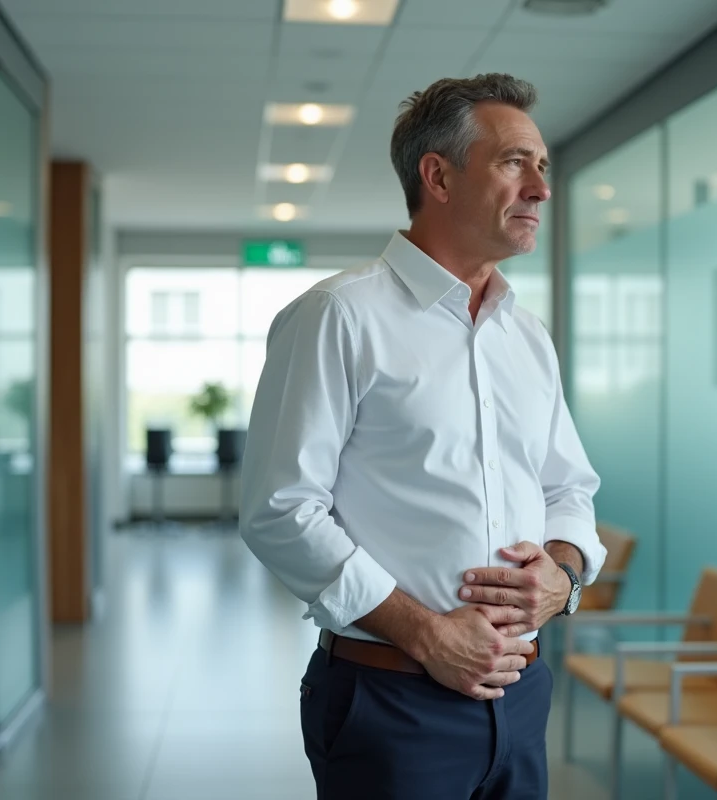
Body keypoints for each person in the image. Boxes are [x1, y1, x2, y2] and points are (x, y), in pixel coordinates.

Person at [236, 73, 606, 800]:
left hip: (522, 698)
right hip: (392, 703)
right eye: (513, 163)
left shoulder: (527, 337)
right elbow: (280, 510)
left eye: (544, 167)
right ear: (437, 175)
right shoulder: (338, 316)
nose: (541, 188)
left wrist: (562, 575)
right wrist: (427, 634)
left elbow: (568, 487)